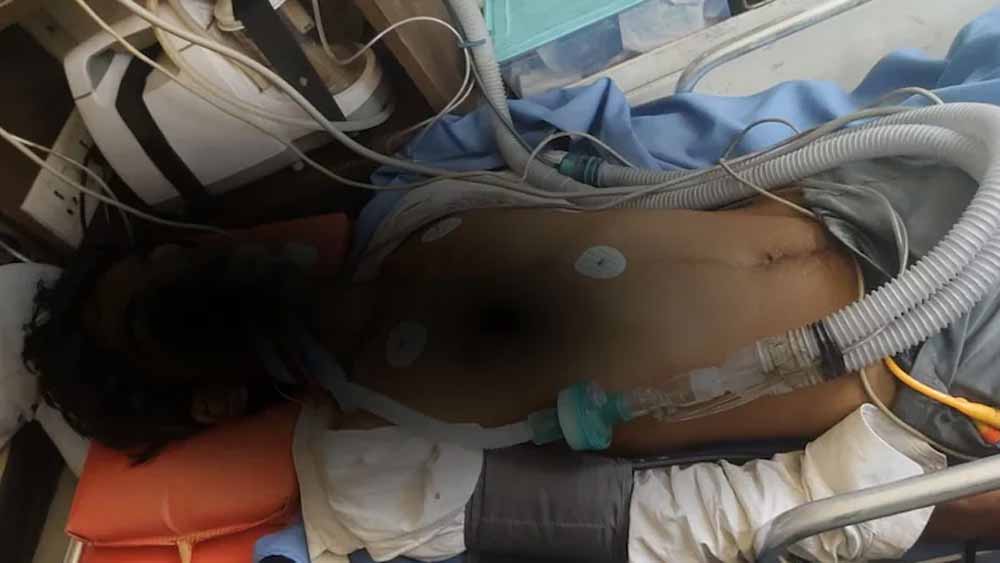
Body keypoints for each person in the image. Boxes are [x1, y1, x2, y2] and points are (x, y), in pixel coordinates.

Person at [21, 193, 999, 560]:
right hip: (930, 370)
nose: (195, 266)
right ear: (213, 396)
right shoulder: (379, 457)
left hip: (901, 205)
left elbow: (671, 197)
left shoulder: (413, 217)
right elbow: (691, 523)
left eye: (169, 256)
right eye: (161, 306)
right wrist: (931, 499)